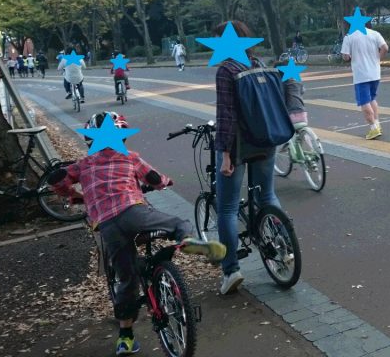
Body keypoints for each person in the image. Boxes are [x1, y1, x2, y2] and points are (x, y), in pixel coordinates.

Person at [49, 112, 226, 356]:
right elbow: (155, 179)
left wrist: (76, 195)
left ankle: (126, 338)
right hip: (134, 212)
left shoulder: (84, 165)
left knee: (126, 279)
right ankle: (185, 241)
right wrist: (166, 182)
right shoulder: (130, 158)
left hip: (107, 225)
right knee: (176, 222)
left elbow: (57, 181)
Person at [211, 20, 284, 295]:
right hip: (267, 137)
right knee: (267, 196)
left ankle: (231, 270)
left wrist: (226, 155)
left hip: (240, 144)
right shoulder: (259, 63)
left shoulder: (226, 70)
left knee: (227, 208)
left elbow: (226, 117)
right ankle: (282, 246)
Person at [341, 23, 389, 140]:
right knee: (372, 98)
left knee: (364, 102)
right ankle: (377, 124)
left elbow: (345, 57)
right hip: (375, 73)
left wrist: (349, 56)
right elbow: (385, 48)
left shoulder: (349, 37)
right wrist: (378, 58)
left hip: (361, 75)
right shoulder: (375, 34)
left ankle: (373, 128)